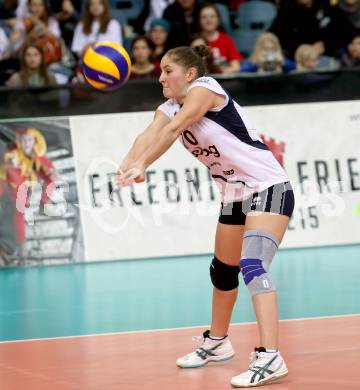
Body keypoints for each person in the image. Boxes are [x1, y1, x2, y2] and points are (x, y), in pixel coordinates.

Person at [116, 45, 295, 388]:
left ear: (190, 74)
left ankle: (271, 355)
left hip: (268, 186)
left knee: (252, 266)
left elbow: (175, 129)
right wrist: (127, 163)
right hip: (234, 196)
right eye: (160, 71)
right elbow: (152, 133)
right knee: (222, 270)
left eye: (168, 70)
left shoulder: (206, 90)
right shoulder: (169, 106)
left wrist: (145, 164)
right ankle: (217, 342)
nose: (161, 77)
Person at [197, 3, 242, 73]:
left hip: (224, 80)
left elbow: (236, 67)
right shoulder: (196, 41)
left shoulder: (226, 39)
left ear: (218, 19)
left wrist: (221, 72)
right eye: (204, 17)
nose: (208, 20)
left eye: (212, 16)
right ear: (199, 21)